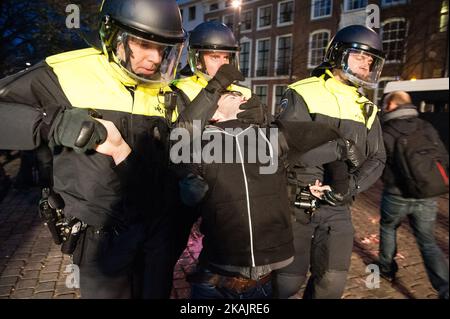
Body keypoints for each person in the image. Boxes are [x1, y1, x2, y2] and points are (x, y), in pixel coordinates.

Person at [0, 0, 238, 299]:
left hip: (159, 229)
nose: (155, 58)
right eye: (143, 43)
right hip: (103, 234)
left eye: (163, 48)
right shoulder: (65, 74)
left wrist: (190, 176)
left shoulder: (166, 89)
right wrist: (57, 123)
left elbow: (180, 143)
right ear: (114, 35)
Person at [95, 88, 365, 299]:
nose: (238, 94)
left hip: (261, 280)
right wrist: (121, 151)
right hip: (216, 280)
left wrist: (341, 180)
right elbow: (177, 144)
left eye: (241, 94)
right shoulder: (200, 146)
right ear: (214, 114)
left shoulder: (272, 138)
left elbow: (328, 137)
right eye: (229, 96)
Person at [273, 25, 387, 299]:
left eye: (370, 61)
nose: (366, 65)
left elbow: (378, 158)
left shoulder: (366, 107)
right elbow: (283, 150)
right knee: (286, 283)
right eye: (360, 56)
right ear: (338, 54)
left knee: (330, 284)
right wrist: (337, 148)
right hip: (297, 204)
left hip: (338, 207)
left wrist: (350, 187)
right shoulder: (302, 92)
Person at [169, 21, 267, 266]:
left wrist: (260, 118)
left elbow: (265, 140)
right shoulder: (177, 89)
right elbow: (179, 140)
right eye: (214, 57)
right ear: (198, 59)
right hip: (191, 185)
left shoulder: (244, 92)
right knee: (169, 250)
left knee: (222, 257)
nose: (223, 64)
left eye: (227, 57)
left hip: (228, 188)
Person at [378, 90, 449, 299]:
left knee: (388, 228)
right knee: (428, 242)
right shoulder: (426, 126)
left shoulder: (386, 130)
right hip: (427, 193)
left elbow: (379, 163)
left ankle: (386, 268)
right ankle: (444, 288)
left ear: (391, 105)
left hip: (396, 194)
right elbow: (443, 156)